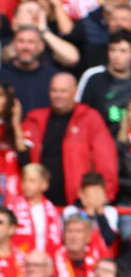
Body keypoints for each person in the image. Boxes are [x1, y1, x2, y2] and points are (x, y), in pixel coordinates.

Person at [24, 72, 117, 205]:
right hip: (39, 201)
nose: (58, 95)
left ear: (75, 92)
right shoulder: (35, 119)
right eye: (54, 90)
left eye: (63, 91)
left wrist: (106, 195)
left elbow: (105, 160)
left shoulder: (90, 118)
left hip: (78, 201)